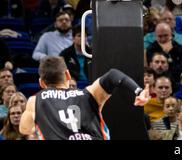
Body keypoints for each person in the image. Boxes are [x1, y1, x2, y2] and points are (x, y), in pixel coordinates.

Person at [19, 56, 149, 140]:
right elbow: (113, 75)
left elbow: (24, 129)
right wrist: (138, 91)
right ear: (68, 75)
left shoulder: (35, 101)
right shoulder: (88, 94)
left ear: (41, 83)